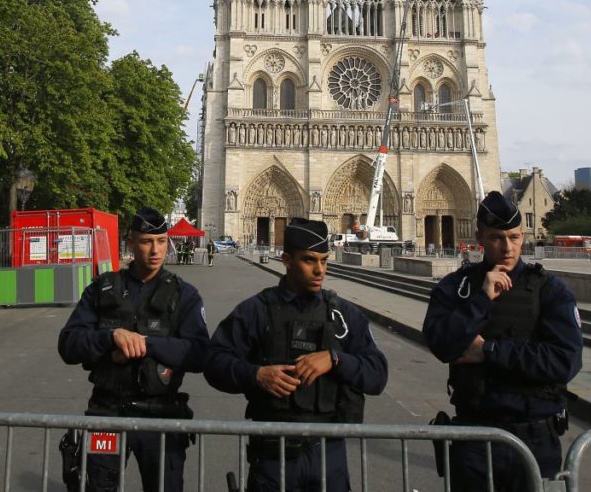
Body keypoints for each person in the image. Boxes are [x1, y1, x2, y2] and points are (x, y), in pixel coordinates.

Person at [205, 217, 388, 491]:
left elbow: (378, 374)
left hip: (328, 454)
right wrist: (256, 375)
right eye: (309, 260)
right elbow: (213, 362)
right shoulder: (256, 311)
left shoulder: (343, 316)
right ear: (286, 260)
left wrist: (336, 359)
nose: (320, 271)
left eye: (324, 261)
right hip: (272, 454)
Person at [422, 191, 583, 491]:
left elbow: (566, 361)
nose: (508, 247)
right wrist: (481, 299)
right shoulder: (458, 288)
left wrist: (489, 351)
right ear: (479, 236)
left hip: (536, 436)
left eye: (515, 236)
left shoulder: (549, 290)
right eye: (497, 237)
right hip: (474, 436)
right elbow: (441, 344)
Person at [58, 207, 210, 492]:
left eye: (162, 241)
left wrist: (146, 344)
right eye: (146, 241)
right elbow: (68, 344)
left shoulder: (184, 294)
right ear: (130, 243)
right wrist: (110, 338)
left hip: (161, 415)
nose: (156, 250)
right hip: (107, 412)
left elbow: (200, 353)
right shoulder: (102, 289)